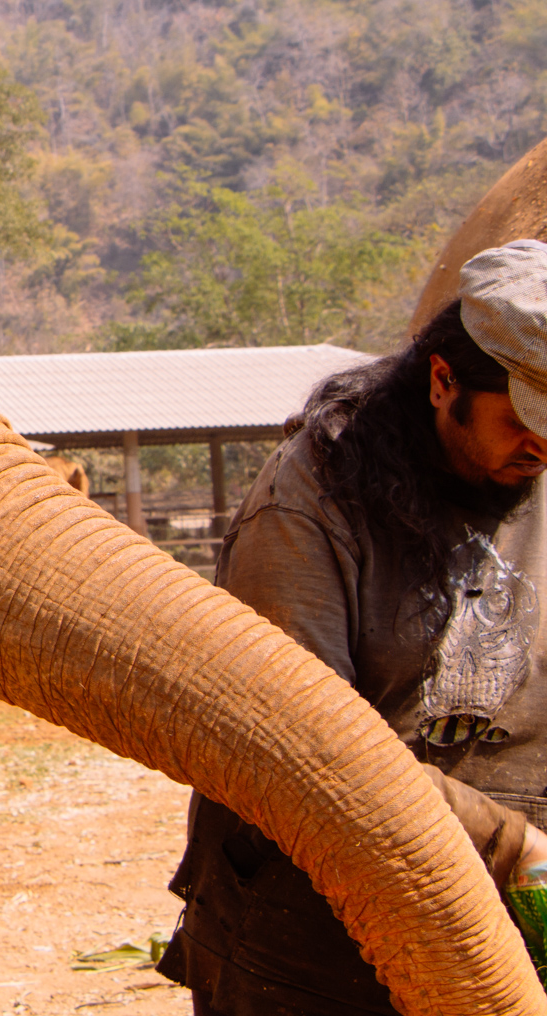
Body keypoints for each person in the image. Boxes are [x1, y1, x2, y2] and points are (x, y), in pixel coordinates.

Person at [158, 239, 547, 1014]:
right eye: (525, 420)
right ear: (442, 382)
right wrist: (512, 846)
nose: (544, 446)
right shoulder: (312, 502)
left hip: (515, 918)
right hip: (318, 927)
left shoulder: (535, 464)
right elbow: (305, 747)